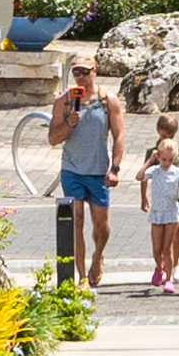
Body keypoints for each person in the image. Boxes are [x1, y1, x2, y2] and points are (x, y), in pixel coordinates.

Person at [53, 61, 118, 287]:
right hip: (72, 170)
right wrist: (68, 124)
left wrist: (115, 169)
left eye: (85, 72)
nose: (80, 77)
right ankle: (81, 276)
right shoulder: (64, 101)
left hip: (98, 171)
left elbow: (119, 137)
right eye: (76, 73)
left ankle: (98, 255)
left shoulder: (108, 101)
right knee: (76, 220)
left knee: (101, 225)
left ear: (95, 72)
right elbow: (53, 138)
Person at [141, 122, 179, 294]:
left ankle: (169, 278)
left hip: (171, 211)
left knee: (167, 247)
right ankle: (159, 267)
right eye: (164, 159)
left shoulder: (177, 171)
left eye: (170, 160)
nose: (167, 162)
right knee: (157, 249)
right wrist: (150, 161)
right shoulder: (155, 169)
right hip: (157, 213)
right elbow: (140, 176)